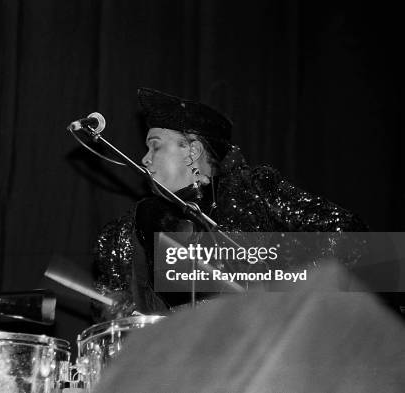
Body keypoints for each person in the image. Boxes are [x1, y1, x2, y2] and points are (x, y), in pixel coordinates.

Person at [92, 87, 367, 321]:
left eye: (156, 146)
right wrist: (114, 303)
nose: (145, 159)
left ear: (192, 151)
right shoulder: (139, 221)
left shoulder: (253, 189)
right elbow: (109, 293)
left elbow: (347, 232)